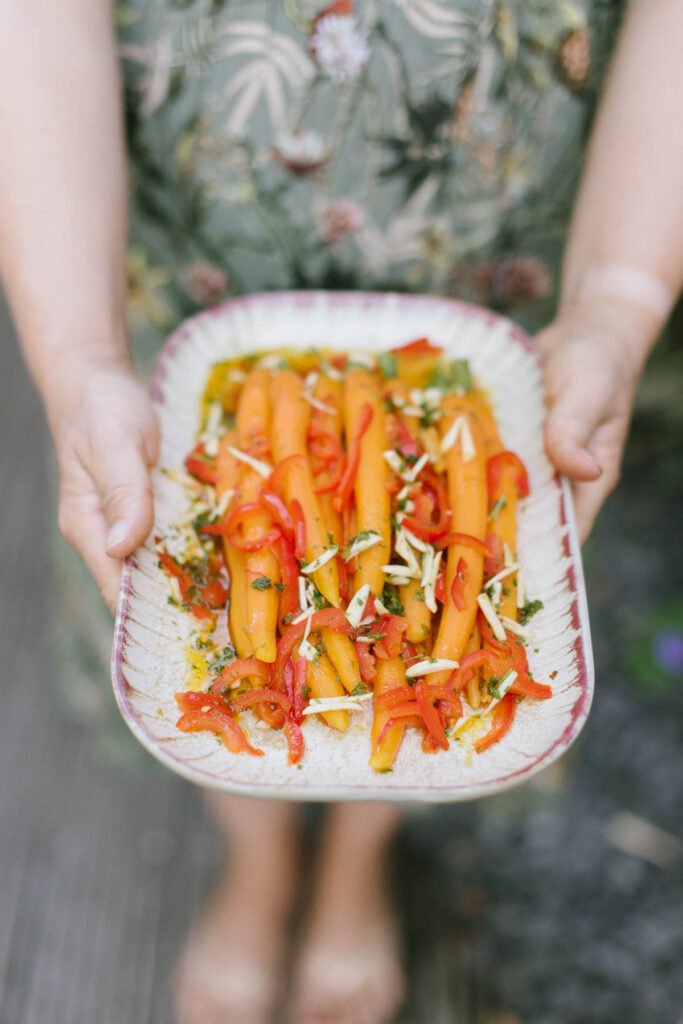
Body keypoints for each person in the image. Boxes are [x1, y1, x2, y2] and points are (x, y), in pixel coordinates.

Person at [1, 2, 682, 1022]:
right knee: (202, 607)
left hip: (510, 269)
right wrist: (83, 358)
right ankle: (261, 859)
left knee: (444, 635)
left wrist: (615, 300)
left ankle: (357, 858)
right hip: (185, 269)